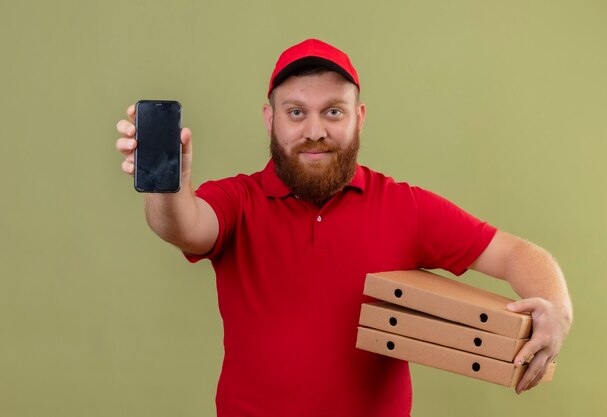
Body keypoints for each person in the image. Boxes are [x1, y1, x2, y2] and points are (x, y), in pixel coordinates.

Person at [115, 39, 572, 416]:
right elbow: (182, 225)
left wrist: (557, 310)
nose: (315, 130)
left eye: (333, 111)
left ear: (359, 118)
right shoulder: (240, 200)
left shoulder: (404, 207)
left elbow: (516, 253)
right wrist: (166, 185)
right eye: (296, 112)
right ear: (270, 120)